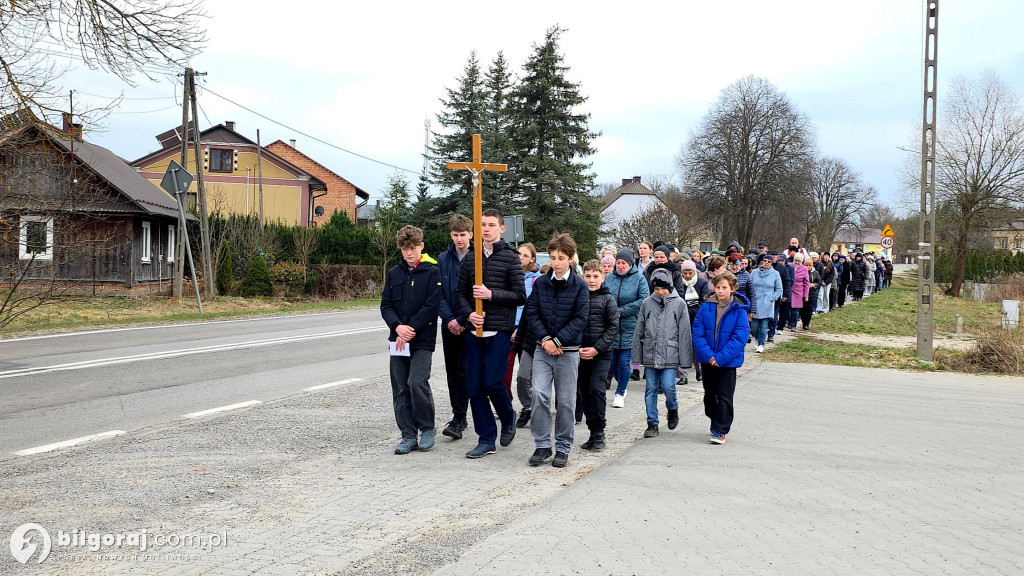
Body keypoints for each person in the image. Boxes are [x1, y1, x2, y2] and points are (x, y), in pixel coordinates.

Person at [456, 208, 527, 459]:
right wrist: (468, 315)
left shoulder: (510, 258)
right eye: (482, 225)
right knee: (474, 387)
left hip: (499, 330)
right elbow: (461, 293)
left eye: (491, 225)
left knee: (493, 381)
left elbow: (520, 295)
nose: (486, 229)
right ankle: (486, 439)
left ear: (501, 228)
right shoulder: (471, 257)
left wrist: (491, 295)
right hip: (475, 331)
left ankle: (508, 417)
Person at [524, 234, 589, 469]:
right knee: (539, 393)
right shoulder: (541, 283)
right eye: (553, 258)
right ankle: (542, 444)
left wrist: (559, 340)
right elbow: (532, 313)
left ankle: (563, 447)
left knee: (566, 401)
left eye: (561, 258)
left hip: (568, 351)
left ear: (571, 259)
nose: (556, 263)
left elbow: (580, 318)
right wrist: (546, 339)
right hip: (543, 349)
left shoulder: (580, 286)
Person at [380, 225, 442, 455]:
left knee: (417, 382)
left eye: (414, 248)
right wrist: (398, 327)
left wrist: (411, 329)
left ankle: (427, 429)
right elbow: (386, 305)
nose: (409, 253)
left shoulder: (432, 271)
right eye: (405, 248)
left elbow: (432, 305)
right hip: (397, 339)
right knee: (401, 388)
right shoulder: (394, 273)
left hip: (422, 339)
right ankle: (408, 434)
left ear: (421, 247)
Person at [631, 268, 693, 438]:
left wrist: (685, 360)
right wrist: (636, 359)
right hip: (650, 353)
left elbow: (684, 332)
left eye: (663, 289)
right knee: (650, 388)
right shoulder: (647, 303)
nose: (660, 292)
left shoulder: (679, 303)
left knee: (668, 386)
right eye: (656, 289)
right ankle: (652, 423)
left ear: (670, 287)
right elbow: (639, 331)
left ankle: (672, 409)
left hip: (670, 353)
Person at [692, 271, 750, 445]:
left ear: (732, 289)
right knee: (710, 395)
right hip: (708, 360)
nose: (720, 291)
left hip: (727, 362)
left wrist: (721, 358)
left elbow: (739, 337)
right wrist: (709, 356)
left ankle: (720, 429)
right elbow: (698, 333)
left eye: (724, 287)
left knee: (724, 395)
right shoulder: (706, 307)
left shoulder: (738, 310)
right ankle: (714, 420)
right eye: (717, 287)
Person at [575, 259, 619, 451]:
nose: (591, 280)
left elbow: (612, 328)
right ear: (582, 276)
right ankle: (592, 432)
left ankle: (599, 432)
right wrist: (576, 347)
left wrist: (596, 349)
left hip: (600, 354)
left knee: (596, 391)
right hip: (579, 352)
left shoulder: (608, 299)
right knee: (584, 393)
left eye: (595, 276)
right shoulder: (577, 297)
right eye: (588, 276)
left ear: (603, 277)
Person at [437, 215, 472, 441]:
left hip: (468, 323)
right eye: (455, 235)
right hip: (449, 324)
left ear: (470, 234)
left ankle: (458, 418)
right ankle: (458, 413)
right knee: (451, 372)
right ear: (451, 235)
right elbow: (437, 292)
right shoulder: (442, 259)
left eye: (463, 235)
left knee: (464, 371)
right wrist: (449, 318)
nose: (459, 239)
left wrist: (462, 319)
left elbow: (473, 293)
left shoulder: (478, 258)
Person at [605, 248, 649, 408]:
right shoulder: (609, 278)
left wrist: (620, 311)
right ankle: (621, 383)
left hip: (631, 326)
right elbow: (603, 296)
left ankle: (620, 392)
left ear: (630, 264)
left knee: (624, 362)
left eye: (624, 263)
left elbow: (643, 300)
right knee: (611, 364)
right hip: (611, 327)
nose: (620, 266)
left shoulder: (639, 279)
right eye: (618, 263)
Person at [509, 243, 542, 428]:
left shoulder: (537, 280)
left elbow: (535, 308)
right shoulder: (510, 275)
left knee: (532, 375)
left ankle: (537, 408)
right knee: (519, 376)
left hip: (529, 331)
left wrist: (520, 328)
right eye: (518, 254)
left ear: (532, 259)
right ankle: (527, 406)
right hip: (509, 327)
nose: (520, 257)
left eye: (524, 254)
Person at [679, 259, 711, 384]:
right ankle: (683, 375)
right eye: (685, 273)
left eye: (690, 273)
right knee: (682, 346)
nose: (687, 276)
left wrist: (691, 310)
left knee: (696, 346)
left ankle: (699, 369)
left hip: (698, 319)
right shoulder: (679, 284)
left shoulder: (702, 283)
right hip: (682, 319)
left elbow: (704, 301)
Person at [749, 253, 782, 353]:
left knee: (764, 326)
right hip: (755, 303)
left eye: (769, 261)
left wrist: (772, 298)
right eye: (765, 261)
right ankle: (757, 338)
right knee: (754, 326)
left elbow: (779, 289)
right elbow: (749, 286)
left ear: (771, 263)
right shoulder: (754, 272)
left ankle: (761, 344)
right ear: (761, 261)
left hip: (767, 303)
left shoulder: (775, 274)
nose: (766, 263)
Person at [790, 253, 810, 330]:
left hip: (798, 292)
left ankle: (793, 325)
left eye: (799, 261)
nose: (797, 262)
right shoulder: (789, 266)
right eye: (796, 260)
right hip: (789, 290)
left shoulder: (804, 269)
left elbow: (806, 283)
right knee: (787, 309)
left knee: (795, 310)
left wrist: (806, 295)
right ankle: (787, 323)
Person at [802, 255, 820, 330]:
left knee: (810, 309)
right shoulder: (802, 272)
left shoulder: (815, 273)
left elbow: (819, 282)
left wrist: (813, 285)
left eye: (809, 265)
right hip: (803, 293)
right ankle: (803, 322)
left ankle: (807, 324)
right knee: (803, 309)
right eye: (806, 265)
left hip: (813, 293)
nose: (808, 267)